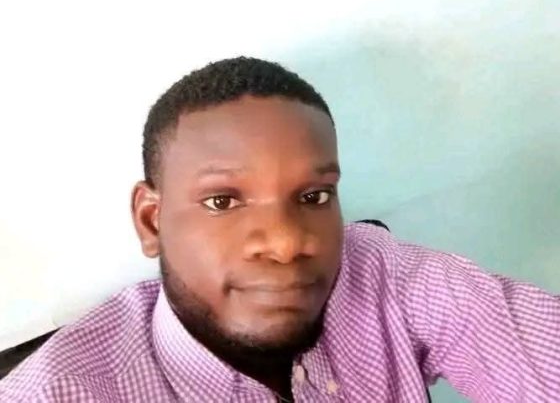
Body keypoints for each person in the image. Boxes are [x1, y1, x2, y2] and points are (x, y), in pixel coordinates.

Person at [1, 57, 559, 402]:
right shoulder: (64, 391)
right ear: (152, 220)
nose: (288, 242)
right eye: (222, 201)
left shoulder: (381, 276)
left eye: (314, 197)